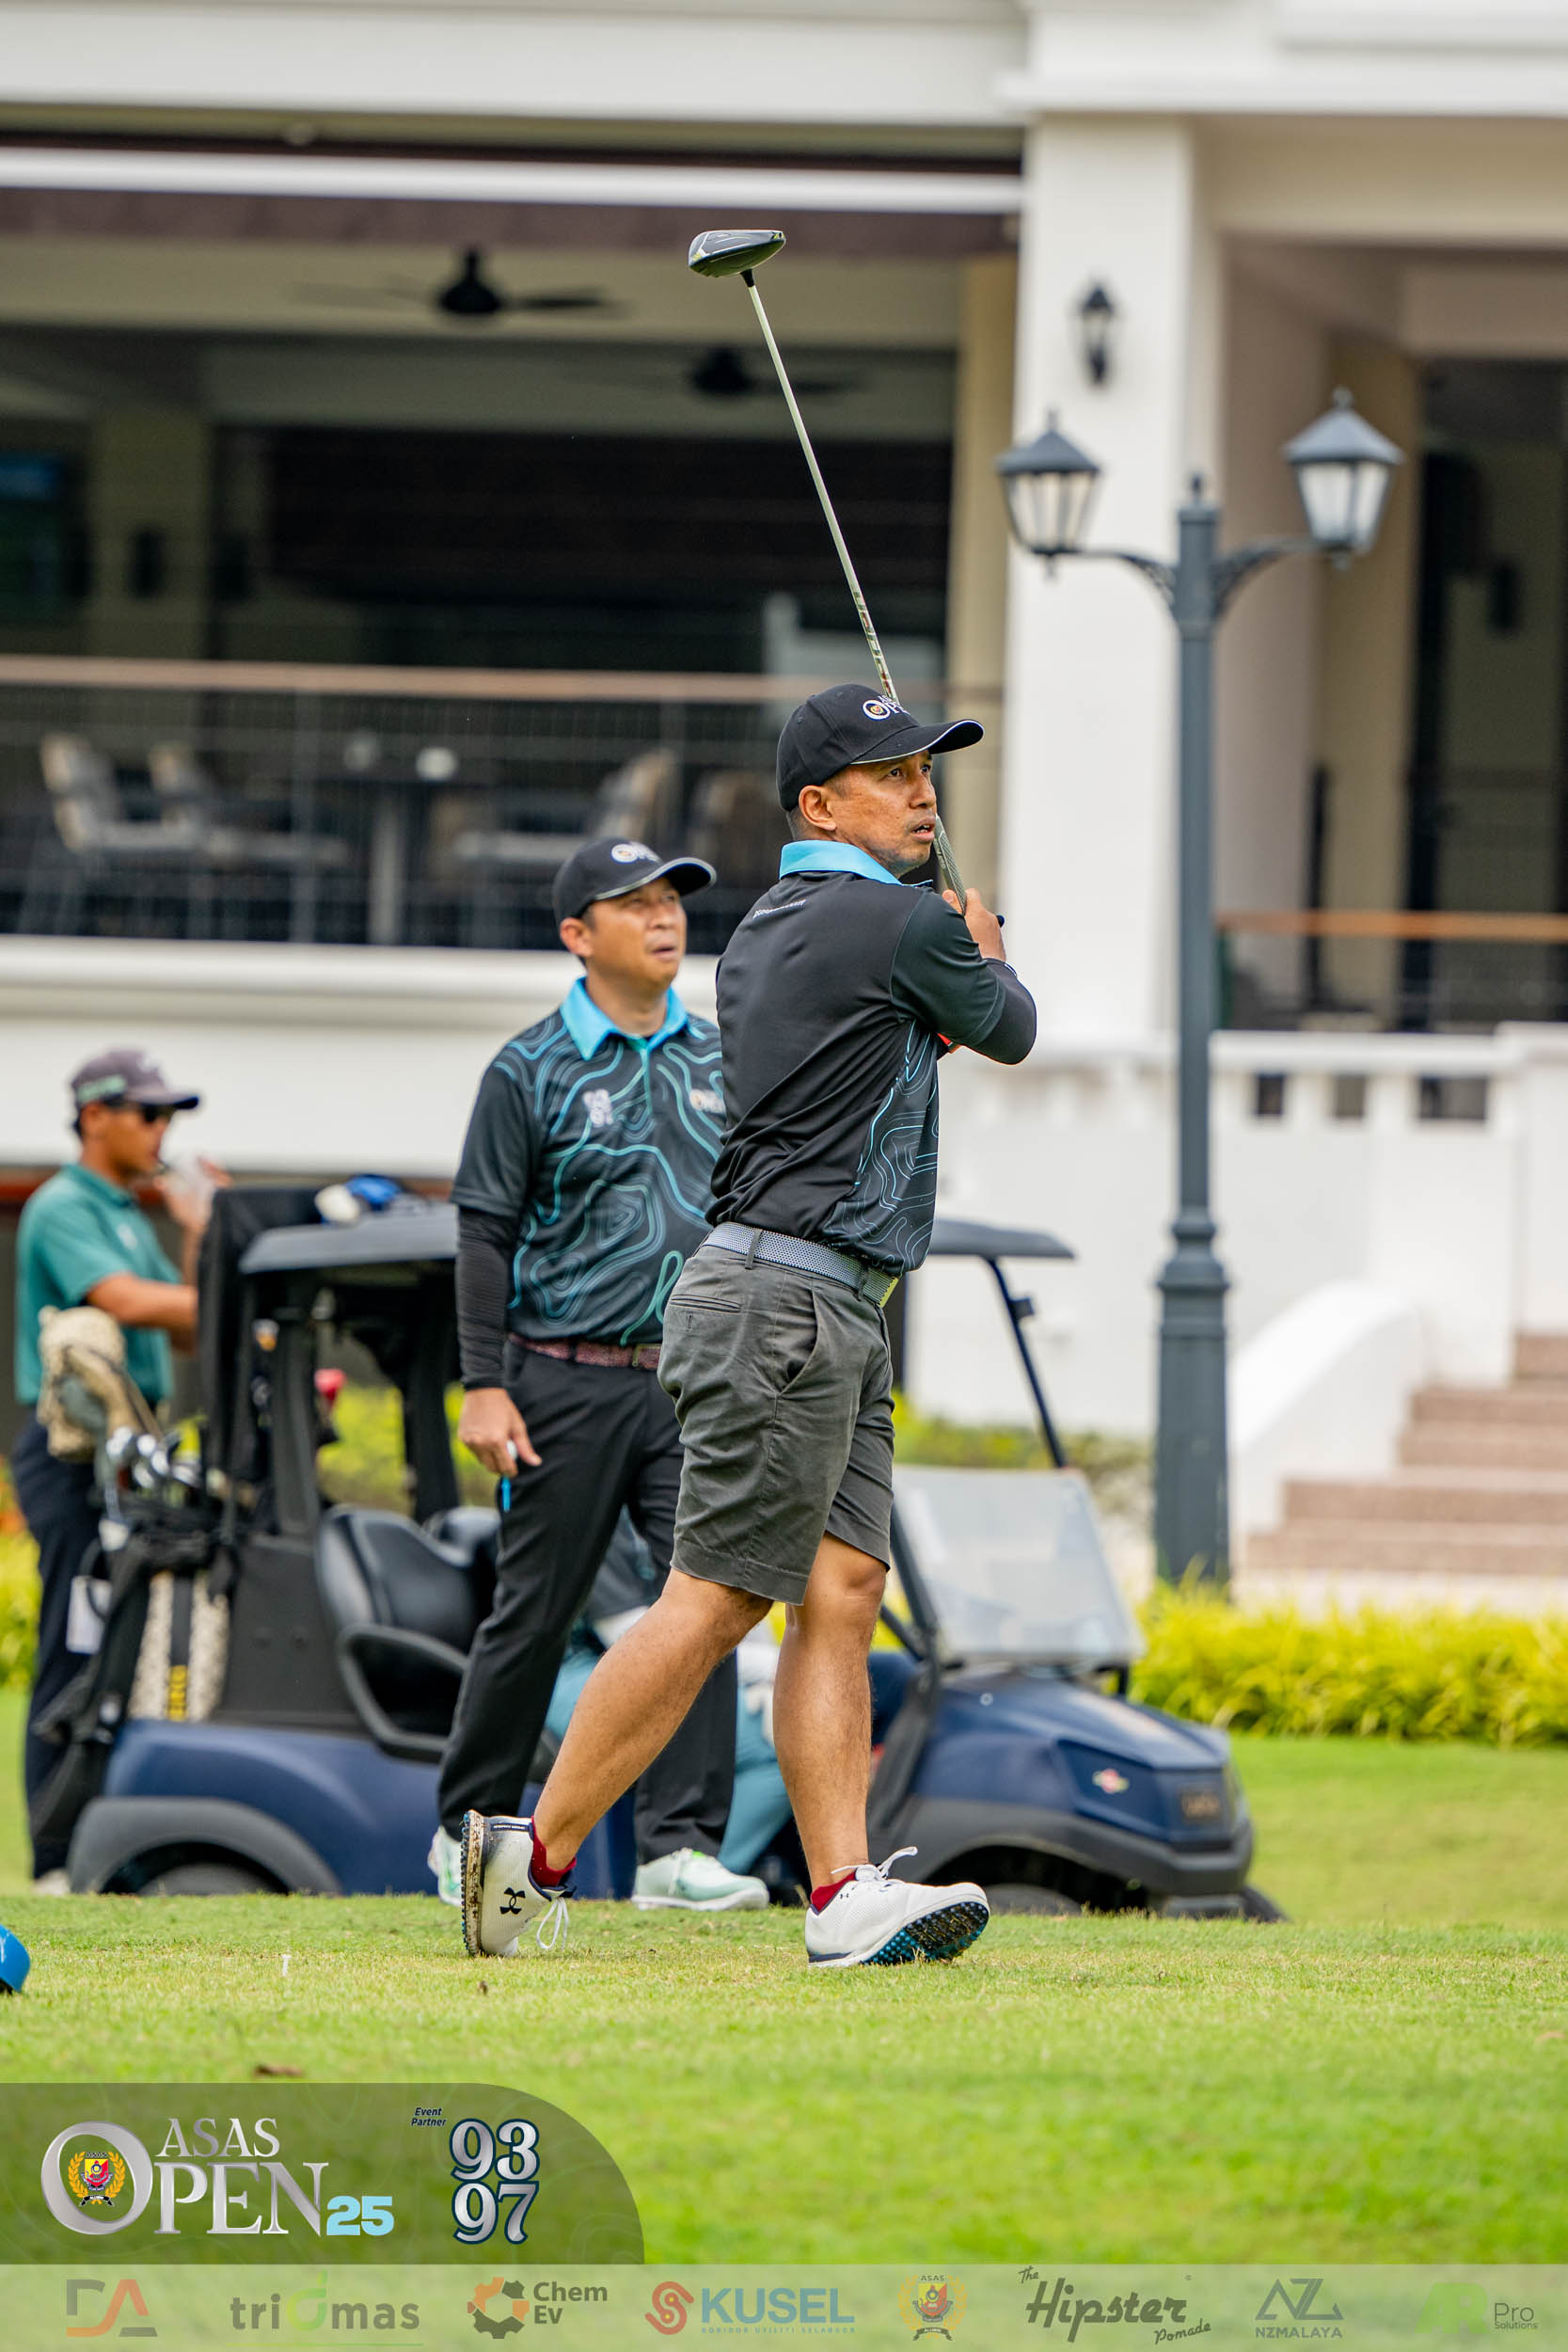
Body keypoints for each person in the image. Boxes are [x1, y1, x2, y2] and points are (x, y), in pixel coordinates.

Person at [461, 683, 1037, 1967]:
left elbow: (891, 1053)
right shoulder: (897, 922)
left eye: (926, 770)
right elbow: (1007, 1027)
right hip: (786, 1302)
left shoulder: (781, 925)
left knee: (841, 1587)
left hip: (821, 1302)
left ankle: (839, 1896)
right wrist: (985, 947)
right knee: (716, 1601)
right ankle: (528, 1856)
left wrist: (949, 954)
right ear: (818, 804)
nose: (922, 793)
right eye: (891, 775)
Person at [432, 836, 767, 1916]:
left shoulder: (720, 1056)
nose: (664, 917)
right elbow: (482, 1235)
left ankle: (677, 1851)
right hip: (558, 1379)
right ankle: (467, 1831)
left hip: (691, 1382)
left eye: (672, 899)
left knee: (701, 1603)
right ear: (577, 935)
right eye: (635, 903)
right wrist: (483, 1383)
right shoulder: (526, 1068)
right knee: (534, 1614)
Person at [12, 1047, 217, 1890]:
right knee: (75, 1648)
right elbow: (128, 1303)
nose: (162, 1130)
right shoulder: (64, 1204)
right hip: (72, 1460)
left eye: (168, 1116)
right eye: (148, 1113)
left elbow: (189, 1327)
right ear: (95, 1116)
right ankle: (53, 1861)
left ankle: (104, 1848)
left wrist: (200, 1231)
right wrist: (241, 1287)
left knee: (124, 1657)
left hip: (131, 1458)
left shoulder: (130, 1212)